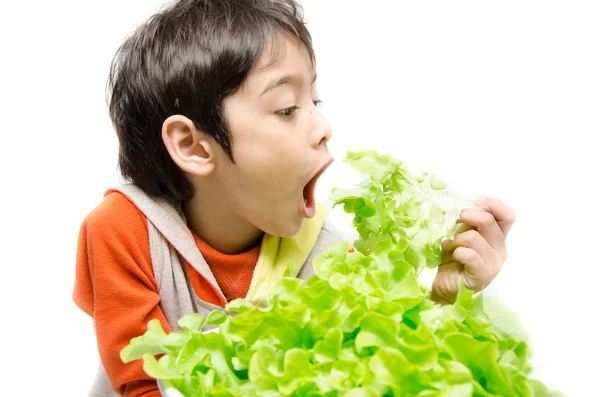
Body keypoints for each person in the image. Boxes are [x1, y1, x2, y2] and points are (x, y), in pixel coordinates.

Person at [72, 0, 517, 395]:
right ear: (193, 146)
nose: (323, 127)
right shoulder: (123, 230)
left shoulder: (327, 254)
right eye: (287, 109)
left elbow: (374, 365)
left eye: (315, 102)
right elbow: (140, 383)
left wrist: (445, 299)